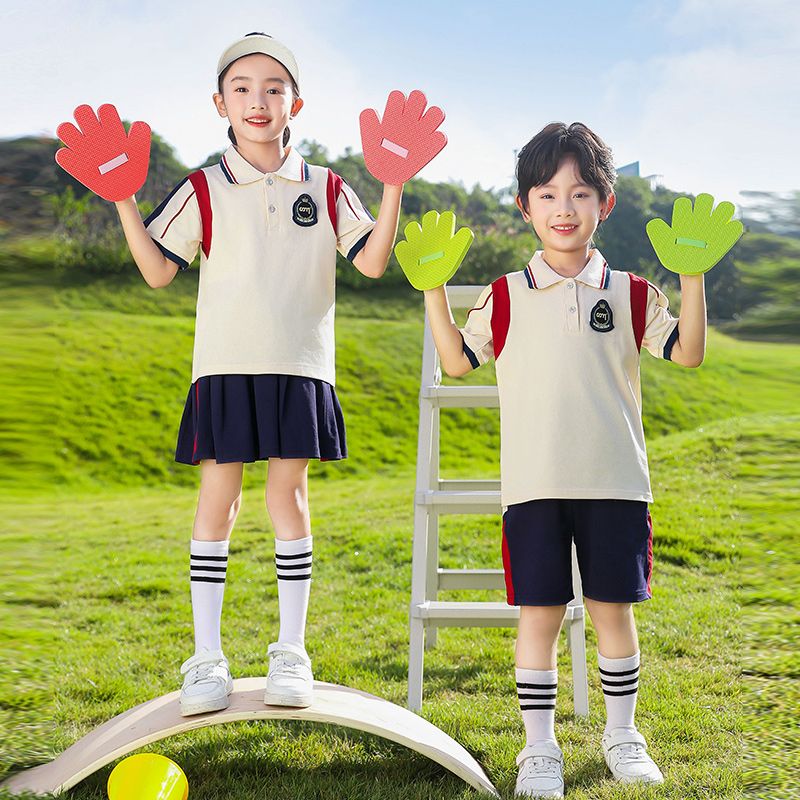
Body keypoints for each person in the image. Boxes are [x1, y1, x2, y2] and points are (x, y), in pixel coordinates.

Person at [109, 33, 409, 715]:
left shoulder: (327, 186)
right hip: (223, 367)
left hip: (300, 367)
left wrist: (392, 183)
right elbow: (159, 271)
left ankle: (291, 653)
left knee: (290, 500)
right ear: (220, 101)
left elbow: (369, 260)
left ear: (294, 101)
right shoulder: (204, 188)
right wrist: (124, 201)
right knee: (218, 501)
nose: (258, 100)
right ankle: (206, 658)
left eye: (273, 88)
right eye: (242, 87)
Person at [420, 122, 708, 797]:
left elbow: (688, 352)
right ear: (525, 207)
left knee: (613, 612)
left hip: (616, 483)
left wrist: (691, 277)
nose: (564, 208)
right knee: (539, 617)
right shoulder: (505, 294)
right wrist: (433, 288)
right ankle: (539, 749)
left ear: (604, 203)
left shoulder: (634, 293)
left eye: (580, 193)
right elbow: (459, 362)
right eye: (547, 194)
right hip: (534, 487)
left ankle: (623, 735)